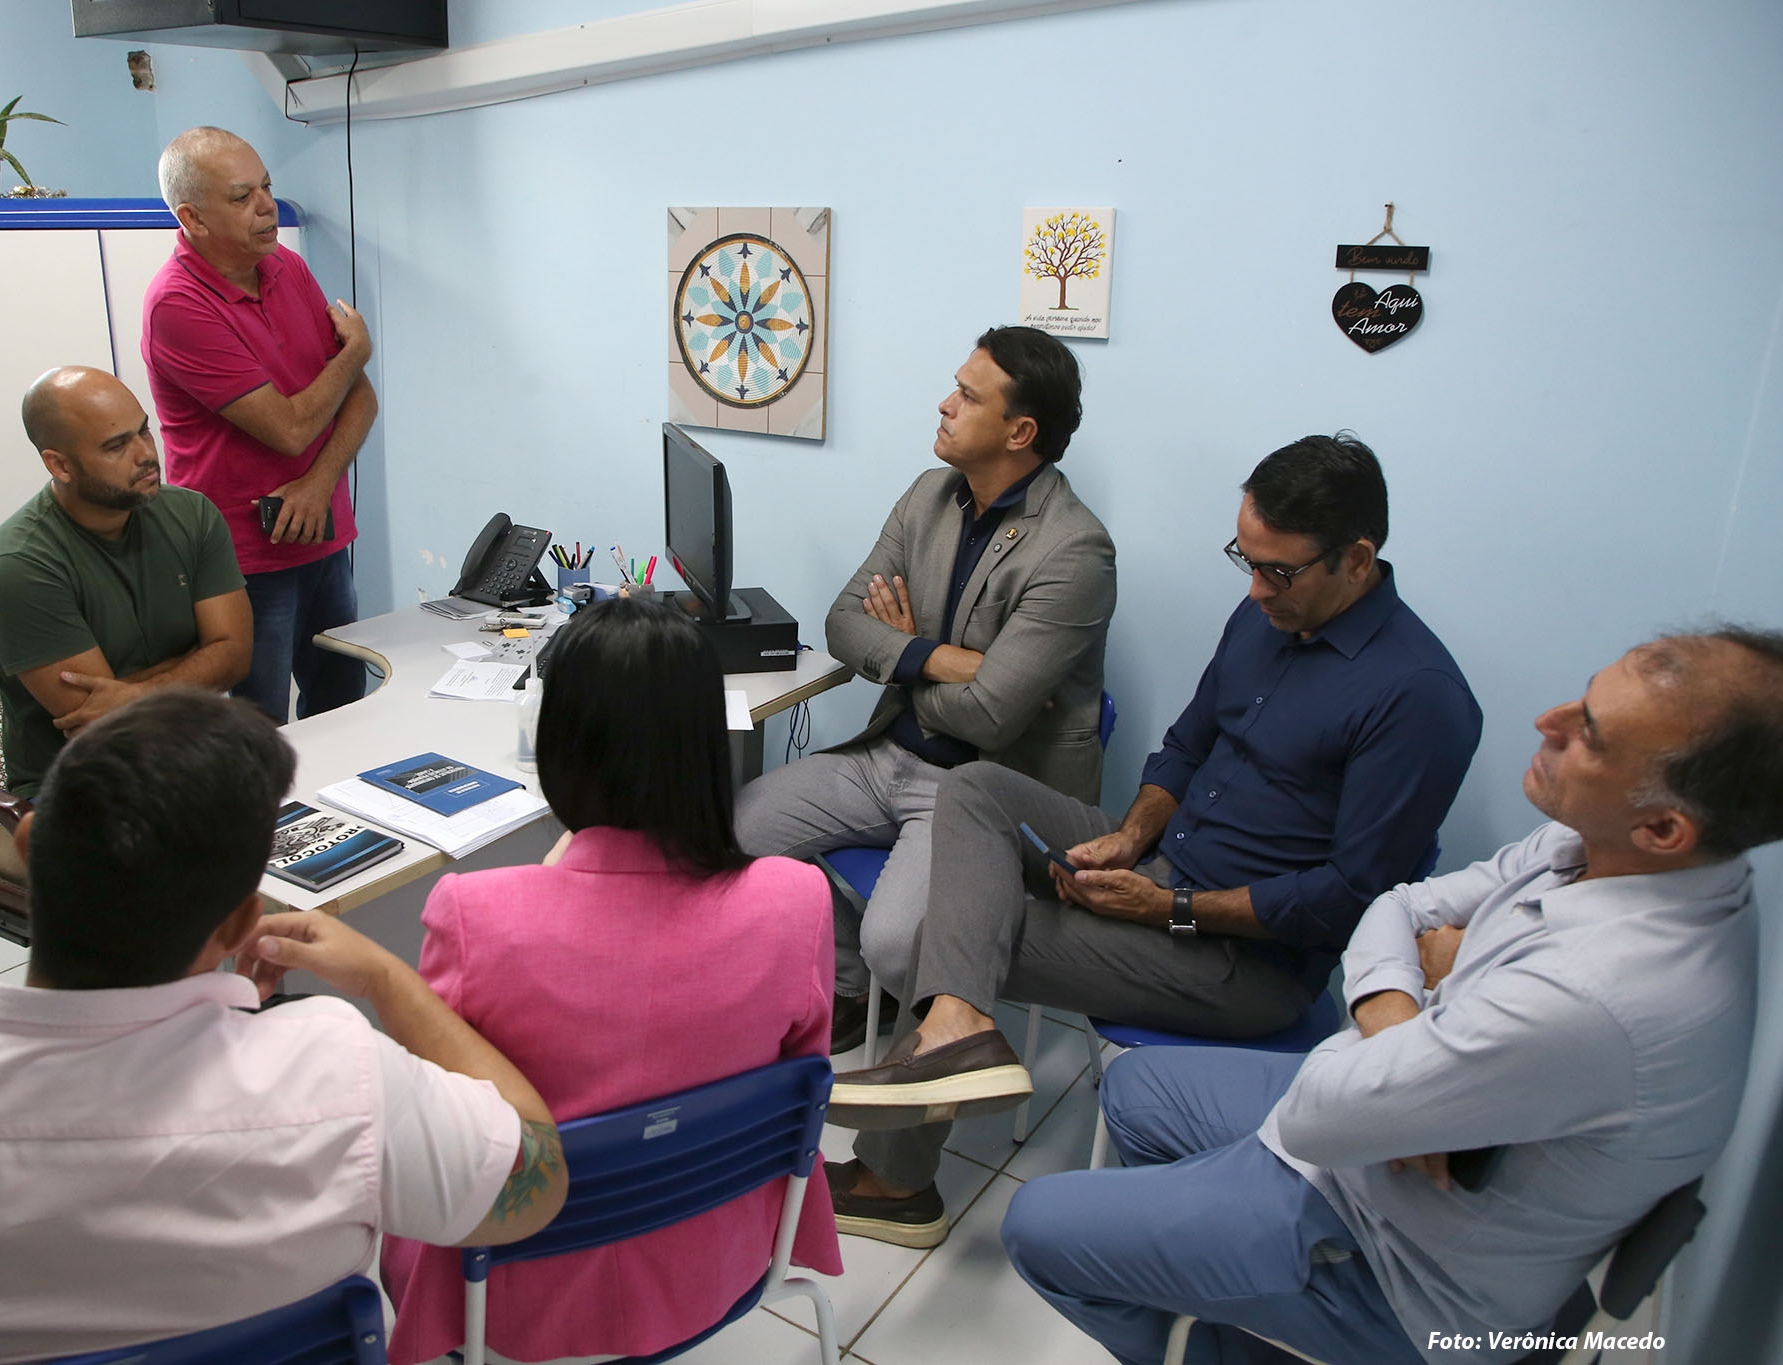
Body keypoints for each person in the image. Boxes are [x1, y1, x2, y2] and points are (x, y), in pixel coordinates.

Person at [1000, 626, 1783, 1365]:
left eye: (1590, 734)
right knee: (1136, 1089)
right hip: (1377, 1145)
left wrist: (1408, 1025)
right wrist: (1402, 1018)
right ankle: (1211, 1286)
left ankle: (1215, 1339)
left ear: (1664, 827)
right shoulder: (1612, 846)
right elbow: (1401, 903)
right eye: (1582, 698)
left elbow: (1317, 1116)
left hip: (1403, 1270)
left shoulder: (1598, 995)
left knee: (1036, 1225)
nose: (1550, 720)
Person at [825, 432, 1482, 1248]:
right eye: (1245, 560)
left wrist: (1166, 907)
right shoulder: (1266, 617)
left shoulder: (1419, 697)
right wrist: (1132, 835)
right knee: (976, 788)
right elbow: (1186, 743)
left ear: (1357, 558)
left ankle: (896, 1181)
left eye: (1278, 571)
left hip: (1242, 957)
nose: (1255, 589)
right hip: (1166, 860)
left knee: (958, 929)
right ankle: (957, 1029)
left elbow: (1348, 898)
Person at [0, 690, 567, 1363]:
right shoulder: (339, 1069)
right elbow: (535, 1186)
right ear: (240, 922)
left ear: (28, 849)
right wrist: (386, 979)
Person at [379, 595, 842, 1364]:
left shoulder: (476, 915)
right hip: (718, 1261)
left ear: (563, 741)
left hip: (515, 1300)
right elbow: (799, 1081)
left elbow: (438, 1125)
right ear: (707, 741)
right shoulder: (798, 898)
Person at [736, 325, 1117, 1052]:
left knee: (895, 941)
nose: (945, 404)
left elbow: (993, 718)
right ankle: (853, 987)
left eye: (968, 396)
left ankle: (894, 991)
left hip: (978, 788)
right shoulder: (930, 495)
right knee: (733, 832)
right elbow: (843, 623)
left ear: (1020, 432)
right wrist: (942, 659)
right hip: (889, 754)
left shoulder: (1075, 550)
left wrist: (903, 660)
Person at [143, 125, 375, 723]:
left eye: (267, 187)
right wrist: (354, 351)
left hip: (321, 533)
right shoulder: (177, 304)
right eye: (242, 196)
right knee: (256, 725)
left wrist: (319, 483)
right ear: (193, 218)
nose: (267, 205)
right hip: (241, 557)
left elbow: (361, 400)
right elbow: (291, 429)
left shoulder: (287, 267)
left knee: (343, 708)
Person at [0, 365, 251, 798]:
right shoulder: (18, 566)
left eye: (144, 431)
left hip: (195, 756)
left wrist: (134, 694)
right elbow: (102, 723)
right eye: (116, 446)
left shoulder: (192, 515)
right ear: (60, 464)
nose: (145, 455)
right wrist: (197, 665)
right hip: (82, 786)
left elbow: (235, 657)